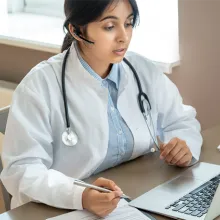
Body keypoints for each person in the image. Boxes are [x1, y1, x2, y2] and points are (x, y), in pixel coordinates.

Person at [1, 0, 202, 217]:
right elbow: (22, 169)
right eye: (109, 26)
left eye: (128, 23)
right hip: (57, 210)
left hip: (136, 197)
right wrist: (80, 195)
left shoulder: (142, 70)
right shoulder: (39, 86)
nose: (123, 36)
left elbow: (181, 121)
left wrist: (184, 147)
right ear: (77, 30)